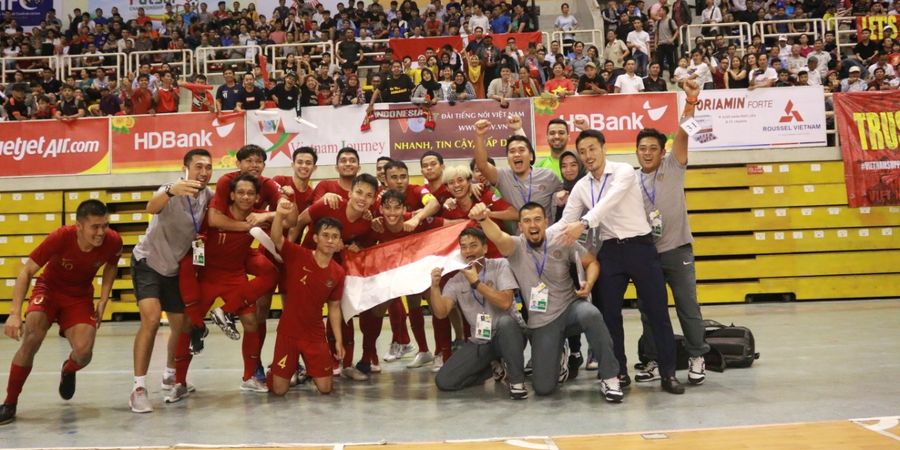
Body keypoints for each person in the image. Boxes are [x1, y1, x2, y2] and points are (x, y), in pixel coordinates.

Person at [556, 128, 685, 394]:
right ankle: (618, 371)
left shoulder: (624, 171)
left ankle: (668, 373)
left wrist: (584, 223)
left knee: (658, 313)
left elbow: (608, 203)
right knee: (609, 317)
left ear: (603, 147)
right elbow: (564, 223)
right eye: (582, 152)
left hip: (641, 247)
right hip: (610, 251)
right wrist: (530, 236)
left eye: (592, 149)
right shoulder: (582, 186)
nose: (588, 156)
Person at [470, 202, 624, 401]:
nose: (532, 225)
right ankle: (559, 351)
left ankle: (610, 377)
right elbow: (498, 236)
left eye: (537, 219)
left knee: (591, 314)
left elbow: (591, 262)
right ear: (520, 227)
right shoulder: (515, 247)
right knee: (543, 388)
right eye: (526, 221)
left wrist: (589, 283)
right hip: (542, 321)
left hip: (570, 309)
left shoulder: (561, 240)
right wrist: (483, 219)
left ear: (546, 222)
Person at [1, 200, 122, 425]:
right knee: (32, 337)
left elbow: (112, 266)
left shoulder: (113, 241)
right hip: (49, 290)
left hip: (79, 297)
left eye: (105, 225)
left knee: (84, 353)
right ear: (79, 226)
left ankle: (68, 369)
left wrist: (104, 299)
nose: (101, 232)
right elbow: (26, 271)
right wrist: (14, 313)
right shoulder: (61, 237)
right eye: (95, 227)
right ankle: (9, 403)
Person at [172, 175, 278, 401]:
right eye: (240, 192)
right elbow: (195, 254)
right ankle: (179, 382)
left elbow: (288, 218)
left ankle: (249, 377)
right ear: (231, 195)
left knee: (251, 322)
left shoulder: (257, 216)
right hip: (208, 277)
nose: (245, 197)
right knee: (188, 324)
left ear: (257, 197)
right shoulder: (215, 216)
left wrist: (269, 214)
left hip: (235, 277)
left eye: (250, 193)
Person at [632, 80, 709, 387]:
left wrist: (690, 102)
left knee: (687, 305)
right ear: (636, 152)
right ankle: (652, 360)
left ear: (662, 150)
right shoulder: (630, 179)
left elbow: (684, 133)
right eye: (642, 148)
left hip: (677, 250)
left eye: (653, 148)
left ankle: (696, 354)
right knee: (650, 310)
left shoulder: (673, 166)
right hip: (647, 254)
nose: (647, 153)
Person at [130, 149, 213, 413]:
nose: (203, 172)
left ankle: (169, 374)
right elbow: (151, 207)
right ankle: (138, 388)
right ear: (186, 168)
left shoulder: (208, 196)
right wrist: (170, 191)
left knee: (182, 325)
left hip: (175, 268)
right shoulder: (171, 187)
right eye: (198, 166)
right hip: (149, 262)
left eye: (208, 167)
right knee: (152, 319)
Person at [290, 174, 379, 381]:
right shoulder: (329, 204)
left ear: (374, 200)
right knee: (303, 317)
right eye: (359, 192)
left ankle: (343, 363)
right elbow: (300, 221)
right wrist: (288, 252)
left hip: (334, 270)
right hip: (307, 265)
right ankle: (296, 366)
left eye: (368, 195)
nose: (362, 199)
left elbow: (361, 245)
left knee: (342, 310)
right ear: (350, 193)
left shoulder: (366, 223)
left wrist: (357, 246)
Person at [429, 227, 527, 399]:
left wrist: (476, 283)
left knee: (505, 323)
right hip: (481, 341)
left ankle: (517, 382)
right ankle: (492, 367)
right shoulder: (456, 280)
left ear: (485, 248)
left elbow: (505, 302)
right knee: (444, 381)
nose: (468, 251)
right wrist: (435, 287)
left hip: (510, 334)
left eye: (473, 246)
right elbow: (441, 312)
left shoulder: (500, 265)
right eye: (464, 247)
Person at [268, 210, 346, 396]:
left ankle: (305, 370)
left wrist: (338, 341)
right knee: (279, 391)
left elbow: (334, 308)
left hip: (315, 335)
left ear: (339, 243)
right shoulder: (297, 254)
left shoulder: (338, 273)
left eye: (335, 237)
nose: (330, 240)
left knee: (326, 389)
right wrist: (279, 214)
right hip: (288, 332)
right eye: (325, 235)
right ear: (315, 238)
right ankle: (277, 371)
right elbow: (277, 238)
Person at [473, 118, 563, 223]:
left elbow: (567, 192)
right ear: (508, 158)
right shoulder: (502, 176)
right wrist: (479, 136)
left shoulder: (548, 176)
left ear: (530, 156)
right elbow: (482, 165)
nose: (516, 154)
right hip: (520, 237)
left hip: (547, 235)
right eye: (512, 151)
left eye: (521, 150)